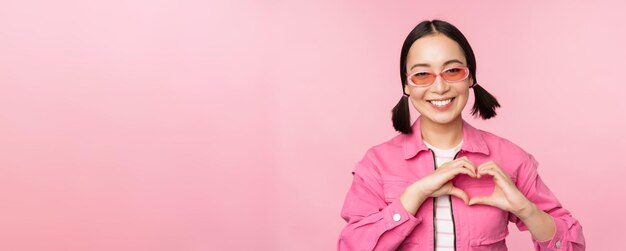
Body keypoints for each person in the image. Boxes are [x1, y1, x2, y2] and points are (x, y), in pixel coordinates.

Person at [337, 19, 585, 251]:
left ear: (470, 77)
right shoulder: (377, 164)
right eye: (422, 74)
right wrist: (414, 195)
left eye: (452, 71)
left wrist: (526, 210)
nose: (440, 87)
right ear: (406, 84)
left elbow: (572, 245)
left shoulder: (510, 158)